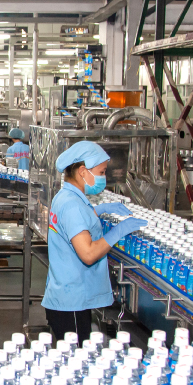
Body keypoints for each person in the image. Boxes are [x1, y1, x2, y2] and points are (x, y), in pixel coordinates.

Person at [41, 141, 147, 343]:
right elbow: (88, 254)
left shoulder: (65, 197)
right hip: (71, 303)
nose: (103, 177)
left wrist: (99, 210)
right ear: (83, 171)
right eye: (101, 172)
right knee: (76, 357)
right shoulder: (72, 205)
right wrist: (119, 231)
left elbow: (74, 221)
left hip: (67, 296)